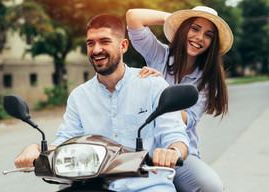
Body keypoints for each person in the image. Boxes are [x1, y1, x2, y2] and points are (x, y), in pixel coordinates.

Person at [14, 14, 190, 191]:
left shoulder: (153, 85)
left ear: (123, 46)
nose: (96, 49)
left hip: (148, 186)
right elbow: (65, 142)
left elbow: (175, 135)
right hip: (94, 185)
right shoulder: (79, 96)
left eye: (104, 41)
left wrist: (172, 152)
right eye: (91, 43)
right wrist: (35, 148)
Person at [126, 6, 233, 192]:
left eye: (208, 35)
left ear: (212, 43)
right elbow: (133, 16)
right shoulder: (159, 53)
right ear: (183, 30)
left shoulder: (208, 79)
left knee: (212, 186)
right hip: (142, 146)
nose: (200, 38)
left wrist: (161, 88)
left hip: (179, 151)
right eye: (194, 28)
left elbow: (188, 118)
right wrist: (175, 19)